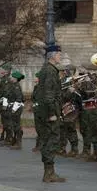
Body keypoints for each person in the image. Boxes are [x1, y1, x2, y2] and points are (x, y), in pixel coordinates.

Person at [35, 45, 65, 183]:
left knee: (48, 140)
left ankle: (49, 172)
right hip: (49, 112)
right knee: (52, 140)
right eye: (59, 54)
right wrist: (53, 113)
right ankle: (49, 173)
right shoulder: (50, 71)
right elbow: (49, 94)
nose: (60, 56)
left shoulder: (47, 69)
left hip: (44, 111)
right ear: (52, 56)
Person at [78, 63, 97, 162]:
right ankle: (86, 150)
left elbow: (91, 92)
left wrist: (87, 82)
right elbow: (81, 93)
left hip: (94, 109)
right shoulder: (84, 80)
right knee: (84, 129)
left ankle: (96, 153)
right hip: (85, 109)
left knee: (94, 130)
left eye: (87, 71)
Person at [0, 63, 13, 146]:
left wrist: (4, 105)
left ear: (7, 71)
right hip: (2, 103)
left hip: (5, 104)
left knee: (7, 121)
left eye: (3, 69)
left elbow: (6, 94)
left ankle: (9, 139)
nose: (1, 70)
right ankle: (7, 138)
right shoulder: (3, 79)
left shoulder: (6, 80)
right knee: (5, 121)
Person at [8, 70, 25, 150]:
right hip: (14, 106)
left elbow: (19, 99)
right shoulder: (14, 85)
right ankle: (16, 141)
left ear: (15, 78)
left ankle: (18, 144)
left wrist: (14, 109)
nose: (11, 78)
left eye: (12, 77)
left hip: (16, 107)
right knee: (14, 125)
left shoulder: (16, 86)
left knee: (16, 125)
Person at [32, 72, 42, 152]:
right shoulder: (36, 87)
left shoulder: (41, 88)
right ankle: (38, 145)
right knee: (38, 128)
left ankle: (40, 146)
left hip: (40, 111)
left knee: (40, 129)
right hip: (36, 110)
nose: (34, 78)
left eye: (36, 77)